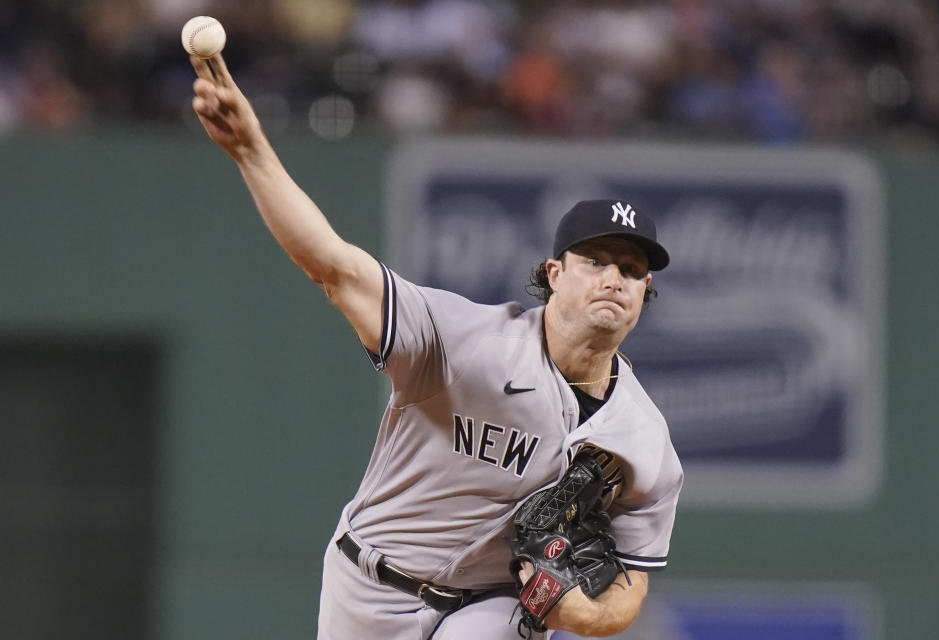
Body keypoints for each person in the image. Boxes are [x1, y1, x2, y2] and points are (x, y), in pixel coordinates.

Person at [189, 52, 682, 640]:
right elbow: (333, 266)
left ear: (644, 290)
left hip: (493, 602)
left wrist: (584, 614)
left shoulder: (644, 440)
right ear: (554, 273)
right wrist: (251, 151)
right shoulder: (461, 340)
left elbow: (632, 582)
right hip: (370, 583)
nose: (612, 278)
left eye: (630, 270)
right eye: (594, 260)